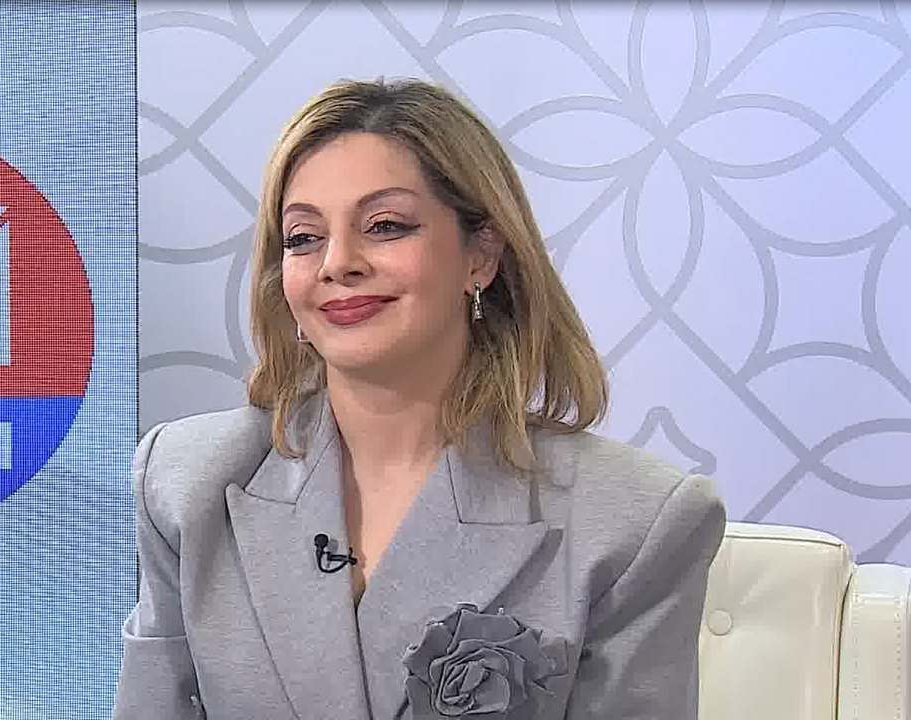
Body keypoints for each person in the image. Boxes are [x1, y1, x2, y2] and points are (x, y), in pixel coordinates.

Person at [113, 77, 726, 720]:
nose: (337, 263)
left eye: (385, 226)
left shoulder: (634, 524)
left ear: (480, 256)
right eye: (303, 237)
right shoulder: (185, 480)